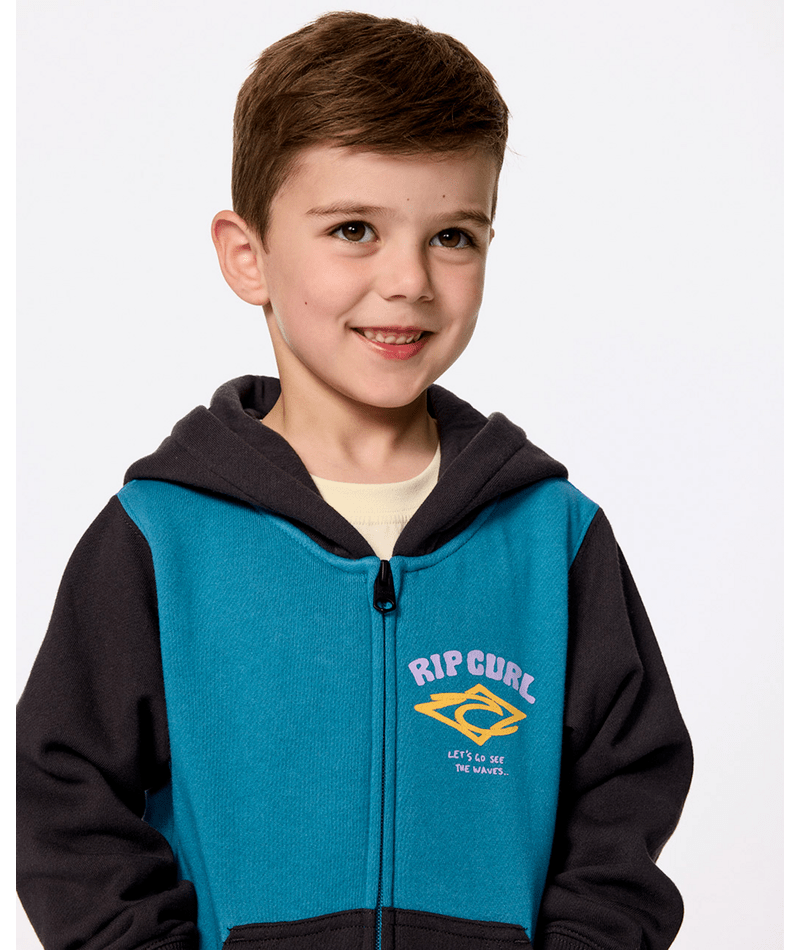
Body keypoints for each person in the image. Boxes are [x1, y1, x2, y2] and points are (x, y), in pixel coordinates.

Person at [16, 12, 692, 950]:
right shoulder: (161, 536)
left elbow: (627, 789)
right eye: (354, 229)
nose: (409, 279)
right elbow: (59, 795)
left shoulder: (552, 537)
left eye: (453, 236)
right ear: (247, 256)